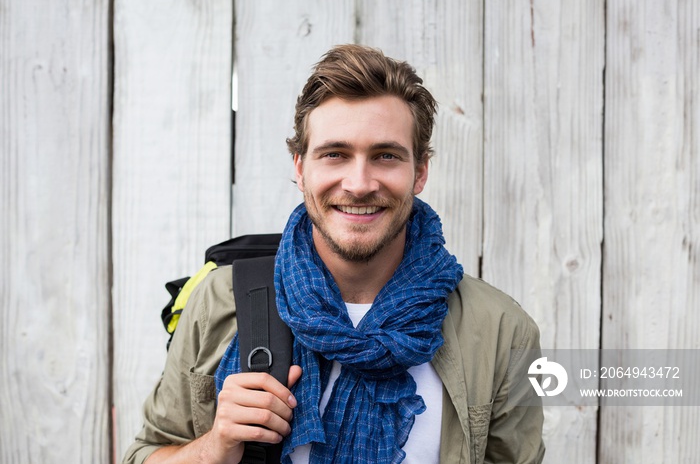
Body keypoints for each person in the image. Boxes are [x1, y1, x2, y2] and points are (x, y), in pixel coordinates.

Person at [123, 44, 545, 464]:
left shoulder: (504, 333)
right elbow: (143, 454)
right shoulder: (220, 301)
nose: (359, 183)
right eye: (335, 154)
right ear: (300, 167)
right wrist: (215, 447)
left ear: (419, 172)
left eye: (385, 156)